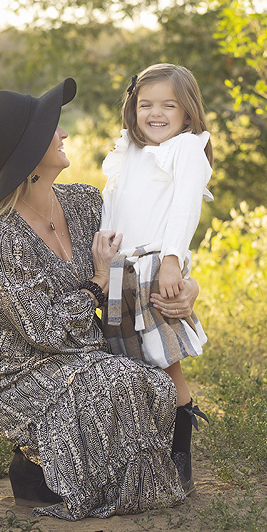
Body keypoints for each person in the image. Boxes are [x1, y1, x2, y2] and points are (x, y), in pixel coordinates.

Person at [0, 77, 201, 520]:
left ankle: (51, 472)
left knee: (153, 384)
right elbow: (45, 331)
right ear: (29, 150)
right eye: (51, 129)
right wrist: (95, 281)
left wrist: (188, 285)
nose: (63, 134)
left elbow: (143, 255)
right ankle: (40, 464)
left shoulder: (86, 204)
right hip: (25, 370)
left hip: (91, 354)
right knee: (120, 384)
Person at [100, 64, 213, 491]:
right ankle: (143, 452)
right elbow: (113, 204)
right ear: (133, 108)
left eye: (169, 104)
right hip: (118, 270)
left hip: (155, 269)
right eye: (146, 104)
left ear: (187, 113)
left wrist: (171, 261)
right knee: (127, 363)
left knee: (166, 364)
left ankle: (179, 452)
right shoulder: (127, 149)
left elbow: (185, 208)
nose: (156, 113)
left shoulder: (186, 149)